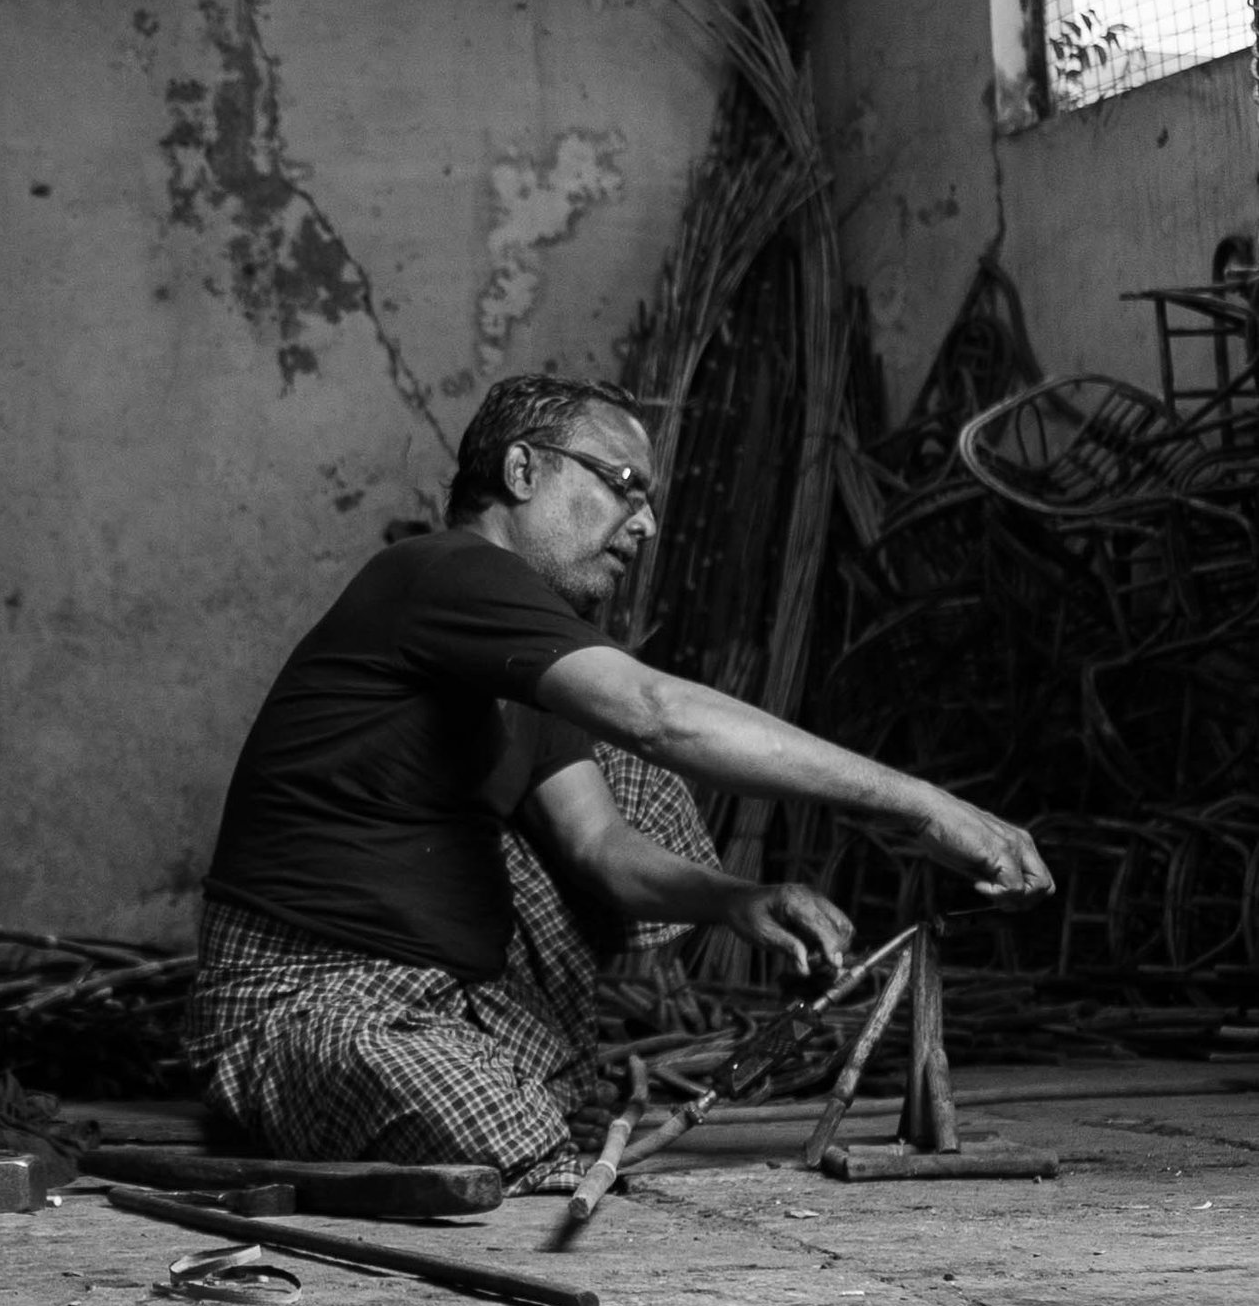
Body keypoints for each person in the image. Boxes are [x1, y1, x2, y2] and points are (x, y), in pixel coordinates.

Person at [186, 373, 1052, 1193]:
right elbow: (657, 713)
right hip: (306, 990)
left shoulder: (527, 646)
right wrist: (922, 803)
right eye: (624, 485)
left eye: (649, 501)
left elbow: (598, 843)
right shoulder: (441, 570)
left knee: (627, 790)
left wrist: (736, 899)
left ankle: (457, 1072)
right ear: (522, 470)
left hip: (437, 984)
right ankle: (329, 1077)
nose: (645, 525)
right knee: (511, 1135)